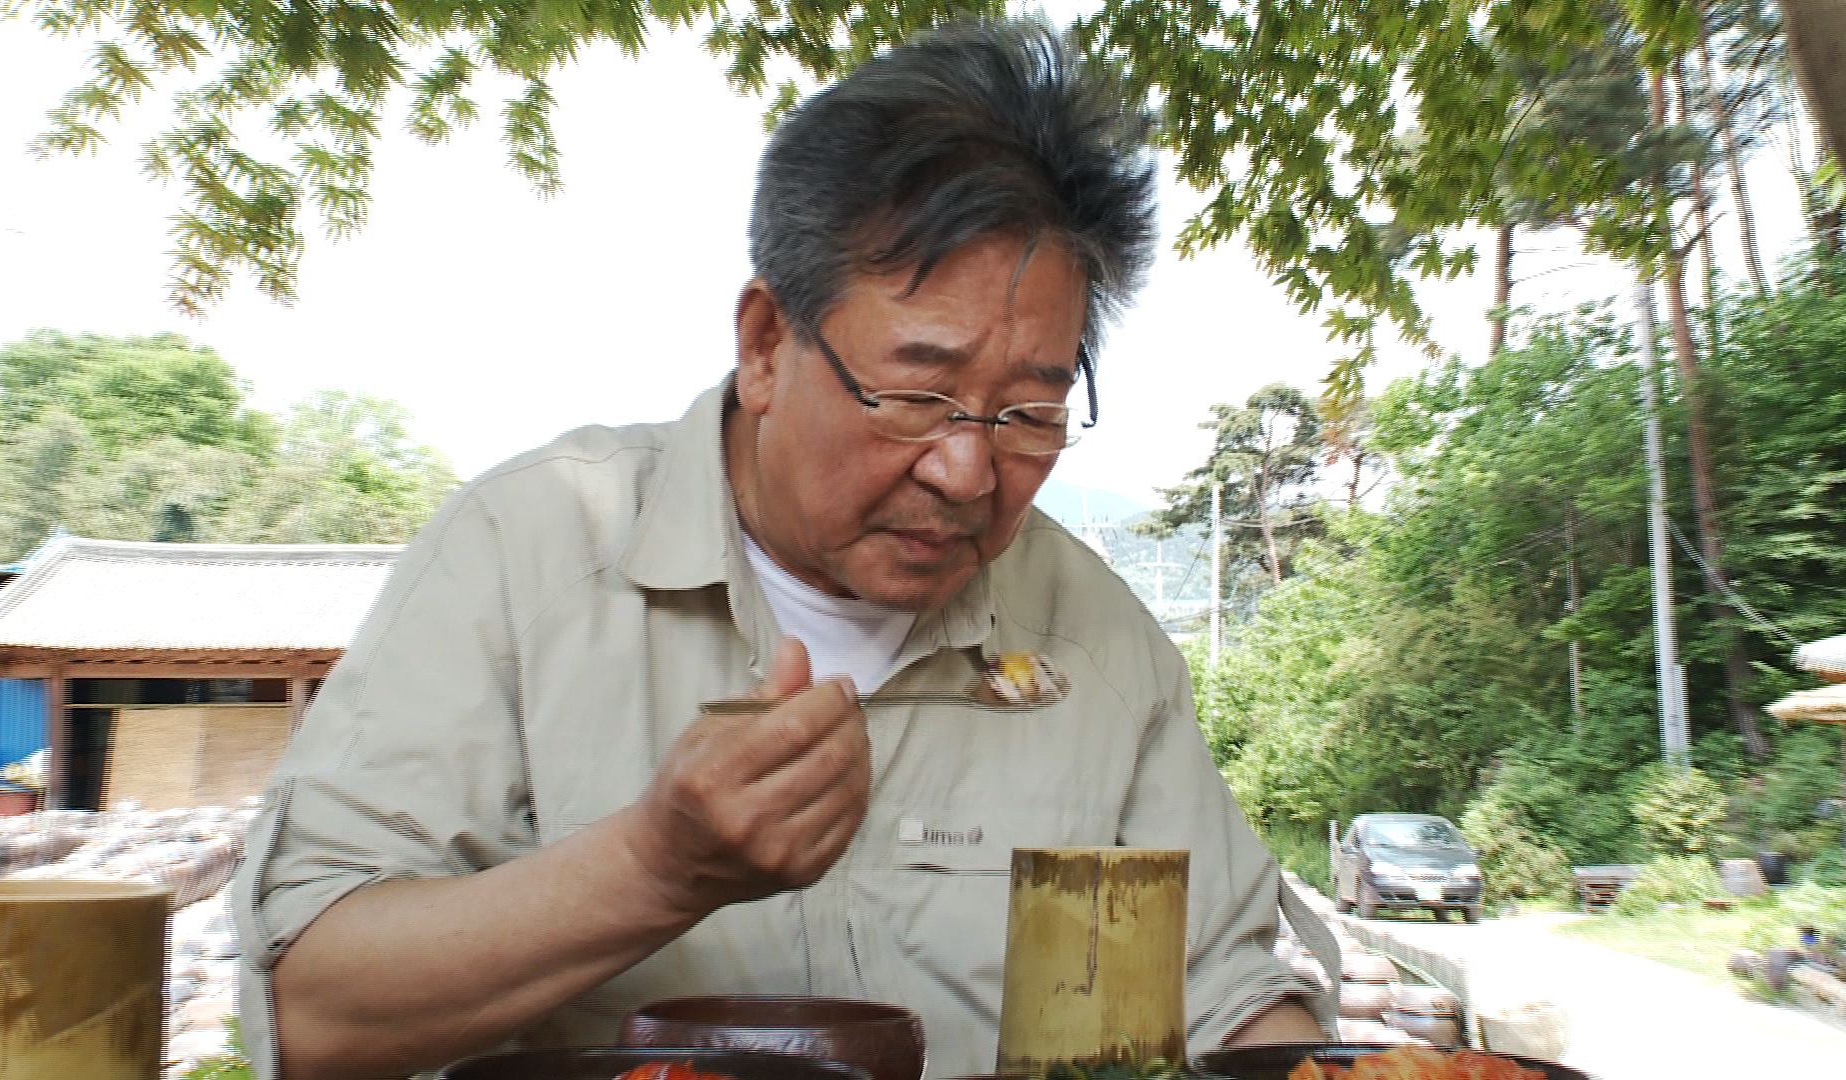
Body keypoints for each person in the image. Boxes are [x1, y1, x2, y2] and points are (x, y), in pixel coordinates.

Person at [235, 19, 1335, 1080]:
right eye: (917, 394)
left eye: (1027, 414)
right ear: (765, 343)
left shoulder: (1097, 642)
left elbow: (1222, 991)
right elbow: (310, 1013)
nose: (966, 469)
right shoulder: (524, 558)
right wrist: (654, 868)